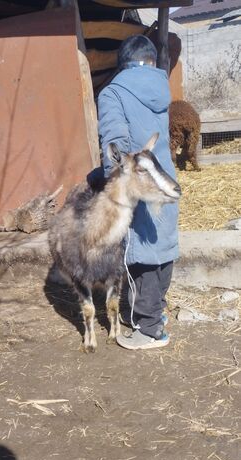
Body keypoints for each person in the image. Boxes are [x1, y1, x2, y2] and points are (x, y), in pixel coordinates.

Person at [98, 35, 179, 350]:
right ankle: (155, 312)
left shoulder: (113, 93)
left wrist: (109, 180)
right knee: (163, 247)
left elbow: (115, 144)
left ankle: (150, 330)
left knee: (141, 253)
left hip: (138, 186)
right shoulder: (161, 88)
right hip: (164, 180)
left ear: (122, 63)